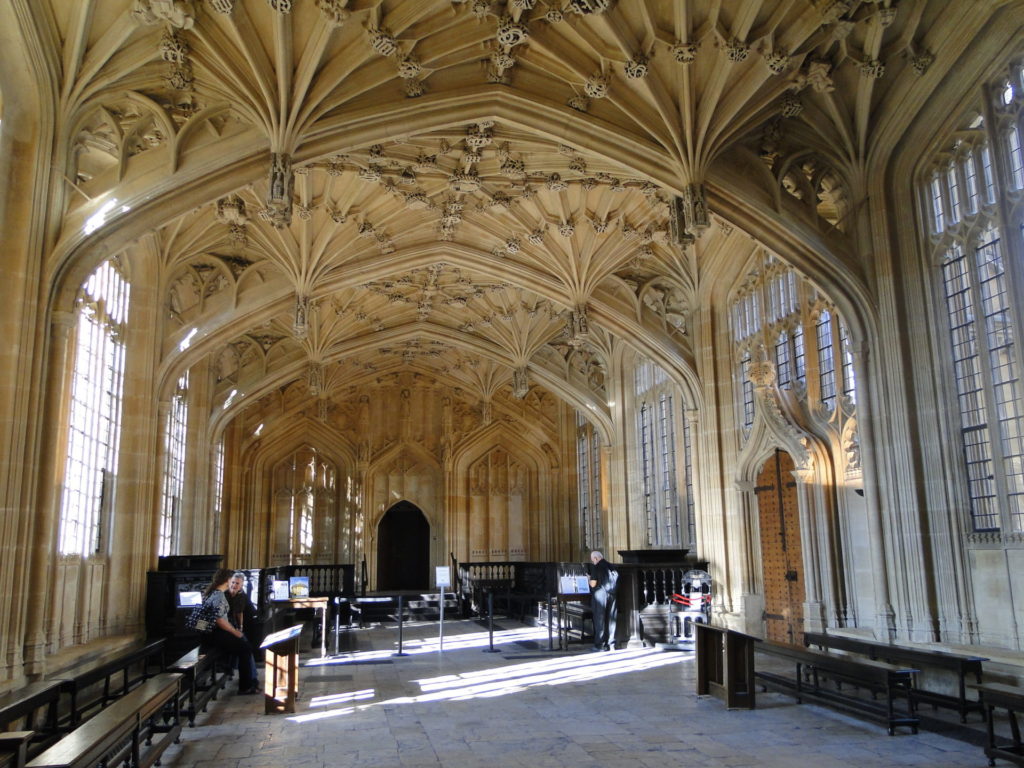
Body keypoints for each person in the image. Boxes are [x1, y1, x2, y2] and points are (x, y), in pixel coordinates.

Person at [200, 568, 258, 694]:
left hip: (214, 632)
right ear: (226, 580)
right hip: (213, 634)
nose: (232, 583)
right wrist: (234, 631)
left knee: (245, 646)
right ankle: (246, 686)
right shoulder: (218, 595)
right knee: (245, 648)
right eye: (231, 580)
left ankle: (248, 682)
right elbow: (219, 620)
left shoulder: (216, 592)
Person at [226, 572, 259, 684]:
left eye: (237, 583)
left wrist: (239, 628)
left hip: (243, 626)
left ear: (241, 585)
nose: (234, 585)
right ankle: (250, 676)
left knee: (245, 647)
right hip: (228, 628)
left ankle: (252, 676)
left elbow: (239, 614)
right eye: (233, 582)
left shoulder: (241, 596)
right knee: (243, 647)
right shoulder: (224, 594)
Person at [588, 551, 618, 651]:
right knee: (611, 618)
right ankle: (611, 643)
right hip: (613, 594)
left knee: (599, 619)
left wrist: (588, 579)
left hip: (601, 594)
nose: (593, 562)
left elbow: (593, 584)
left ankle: (600, 645)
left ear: (596, 558)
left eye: (593, 560)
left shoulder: (597, 567)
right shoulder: (611, 565)